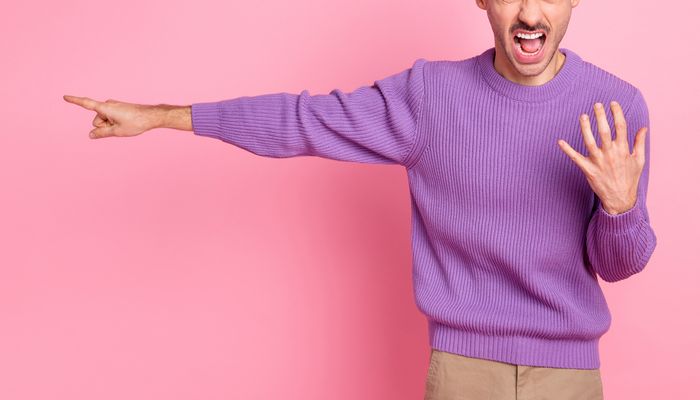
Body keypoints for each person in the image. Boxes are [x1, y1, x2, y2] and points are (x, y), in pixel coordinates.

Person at [63, 0, 657, 398]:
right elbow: (302, 121)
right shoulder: (430, 97)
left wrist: (620, 208)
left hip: (570, 378)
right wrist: (162, 116)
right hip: (463, 372)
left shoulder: (615, 108)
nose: (529, 12)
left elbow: (619, 265)